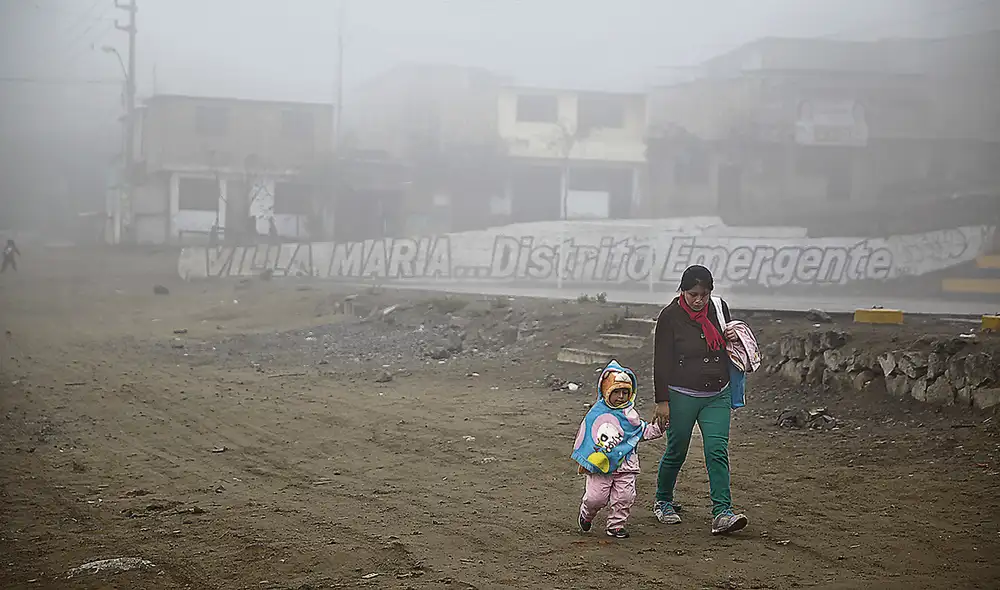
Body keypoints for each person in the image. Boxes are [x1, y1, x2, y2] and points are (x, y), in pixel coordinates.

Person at [651, 264, 749, 535]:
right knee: (676, 451)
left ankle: (722, 513)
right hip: (681, 394)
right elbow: (662, 361)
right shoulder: (670, 316)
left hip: (718, 393)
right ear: (682, 291)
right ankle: (663, 500)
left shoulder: (719, 308)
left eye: (704, 294)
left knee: (716, 451)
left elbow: (730, 345)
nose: (699, 300)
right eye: (693, 293)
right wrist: (662, 401)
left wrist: (733, 334)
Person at [572, 360, 663, 539]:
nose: (621, 396)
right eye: (616, 392)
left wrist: (661, 425)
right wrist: (588, 459)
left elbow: (643, 432)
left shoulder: (631, 416)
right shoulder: (596, 414)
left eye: (625, 392)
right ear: (607, 391)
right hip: (601, 466)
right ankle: (586, 514)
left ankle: (616, 525)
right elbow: (589, 438)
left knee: (624, 497)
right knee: (595, 498)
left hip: (626, 467)